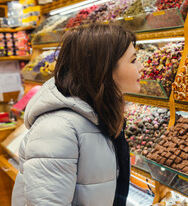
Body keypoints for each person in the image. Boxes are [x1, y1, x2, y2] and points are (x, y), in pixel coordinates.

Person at [11, 23, 144, 206]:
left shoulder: (100, 118)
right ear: (104, 69)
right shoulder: (57, 129)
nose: (142, 66)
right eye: (133, 60)